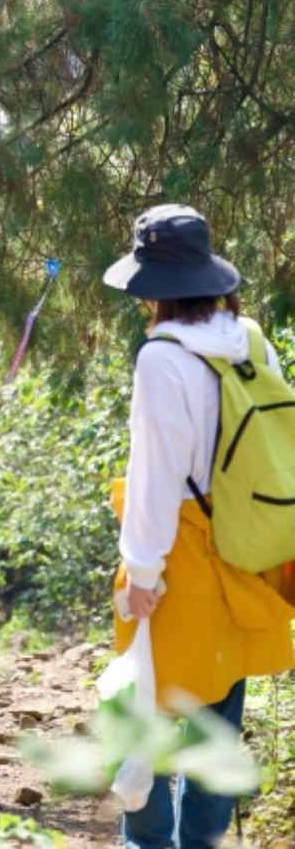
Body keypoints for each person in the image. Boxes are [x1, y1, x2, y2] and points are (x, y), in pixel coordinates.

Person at [104, 204, 295, 849]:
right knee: (217, 720)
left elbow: (156, 477)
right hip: (246, 549)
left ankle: (149, 843)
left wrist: (142, 572)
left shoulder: (162, 358)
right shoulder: (251, 341)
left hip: (181, 556)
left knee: (146, 711)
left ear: (155, 287)